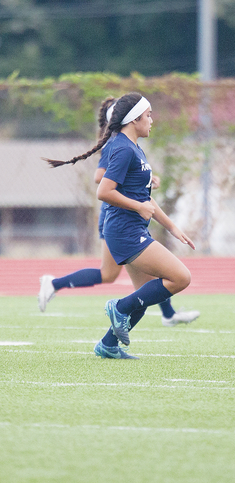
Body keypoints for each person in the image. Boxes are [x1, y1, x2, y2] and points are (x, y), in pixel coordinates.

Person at [44, 92, 196, 359]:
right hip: (125, 232)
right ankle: (119, 308)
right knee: (181, 277)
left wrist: (172, 227)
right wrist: (138, 207)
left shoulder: (133, 147)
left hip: (132, 229)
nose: (152, 120)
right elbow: (103, 191)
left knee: (146, 294)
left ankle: (108, 345)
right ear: (135, 119)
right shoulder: (124, 148)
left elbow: (144, 197)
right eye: (148, 115)